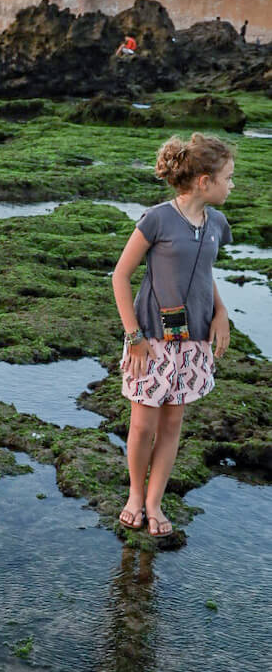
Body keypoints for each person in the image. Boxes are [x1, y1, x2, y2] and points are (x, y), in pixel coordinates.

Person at [111, 133, 234, 538]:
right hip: (150, 342)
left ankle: (154, 501)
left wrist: (220, 312)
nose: (231, 185)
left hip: (193, 342)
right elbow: (121, 276)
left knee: (173, 421)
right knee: (143, 424)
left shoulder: (216, 222)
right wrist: (135, 338)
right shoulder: (157, 219)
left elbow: (204, 274)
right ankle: (134, 495)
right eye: (227, 178)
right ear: (204, 181)